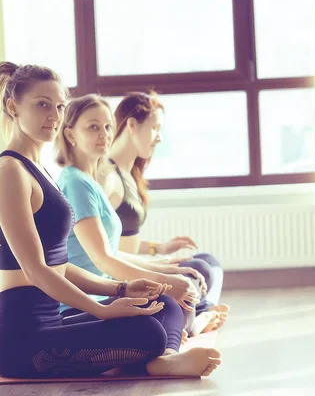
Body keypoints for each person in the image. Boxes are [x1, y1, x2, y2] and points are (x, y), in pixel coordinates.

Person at [0, 62, 220, 379]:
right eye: (42, 105)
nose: (53, 116)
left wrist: (121, 289)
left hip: (52, 324)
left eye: (59, 106)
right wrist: (102, 309)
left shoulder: (39, 172)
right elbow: (35, 270)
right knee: (147, 332)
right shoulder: (8, 171)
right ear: (13, 107)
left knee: (160, 306)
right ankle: (158, 362)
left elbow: (59, 266)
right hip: (19, 340)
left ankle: (157, 359)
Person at [98, 91, 229, 337]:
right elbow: (101, 250)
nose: (159, 138)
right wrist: (159, 266)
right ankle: (199, 315)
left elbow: (124, 241)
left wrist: (159, 249)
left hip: (133, 262)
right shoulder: (108, 176)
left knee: (209, 262)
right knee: (202, 269)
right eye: (155, 128)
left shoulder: (129, 174)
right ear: (132, 125)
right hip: (122, 272)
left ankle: (197, 313)